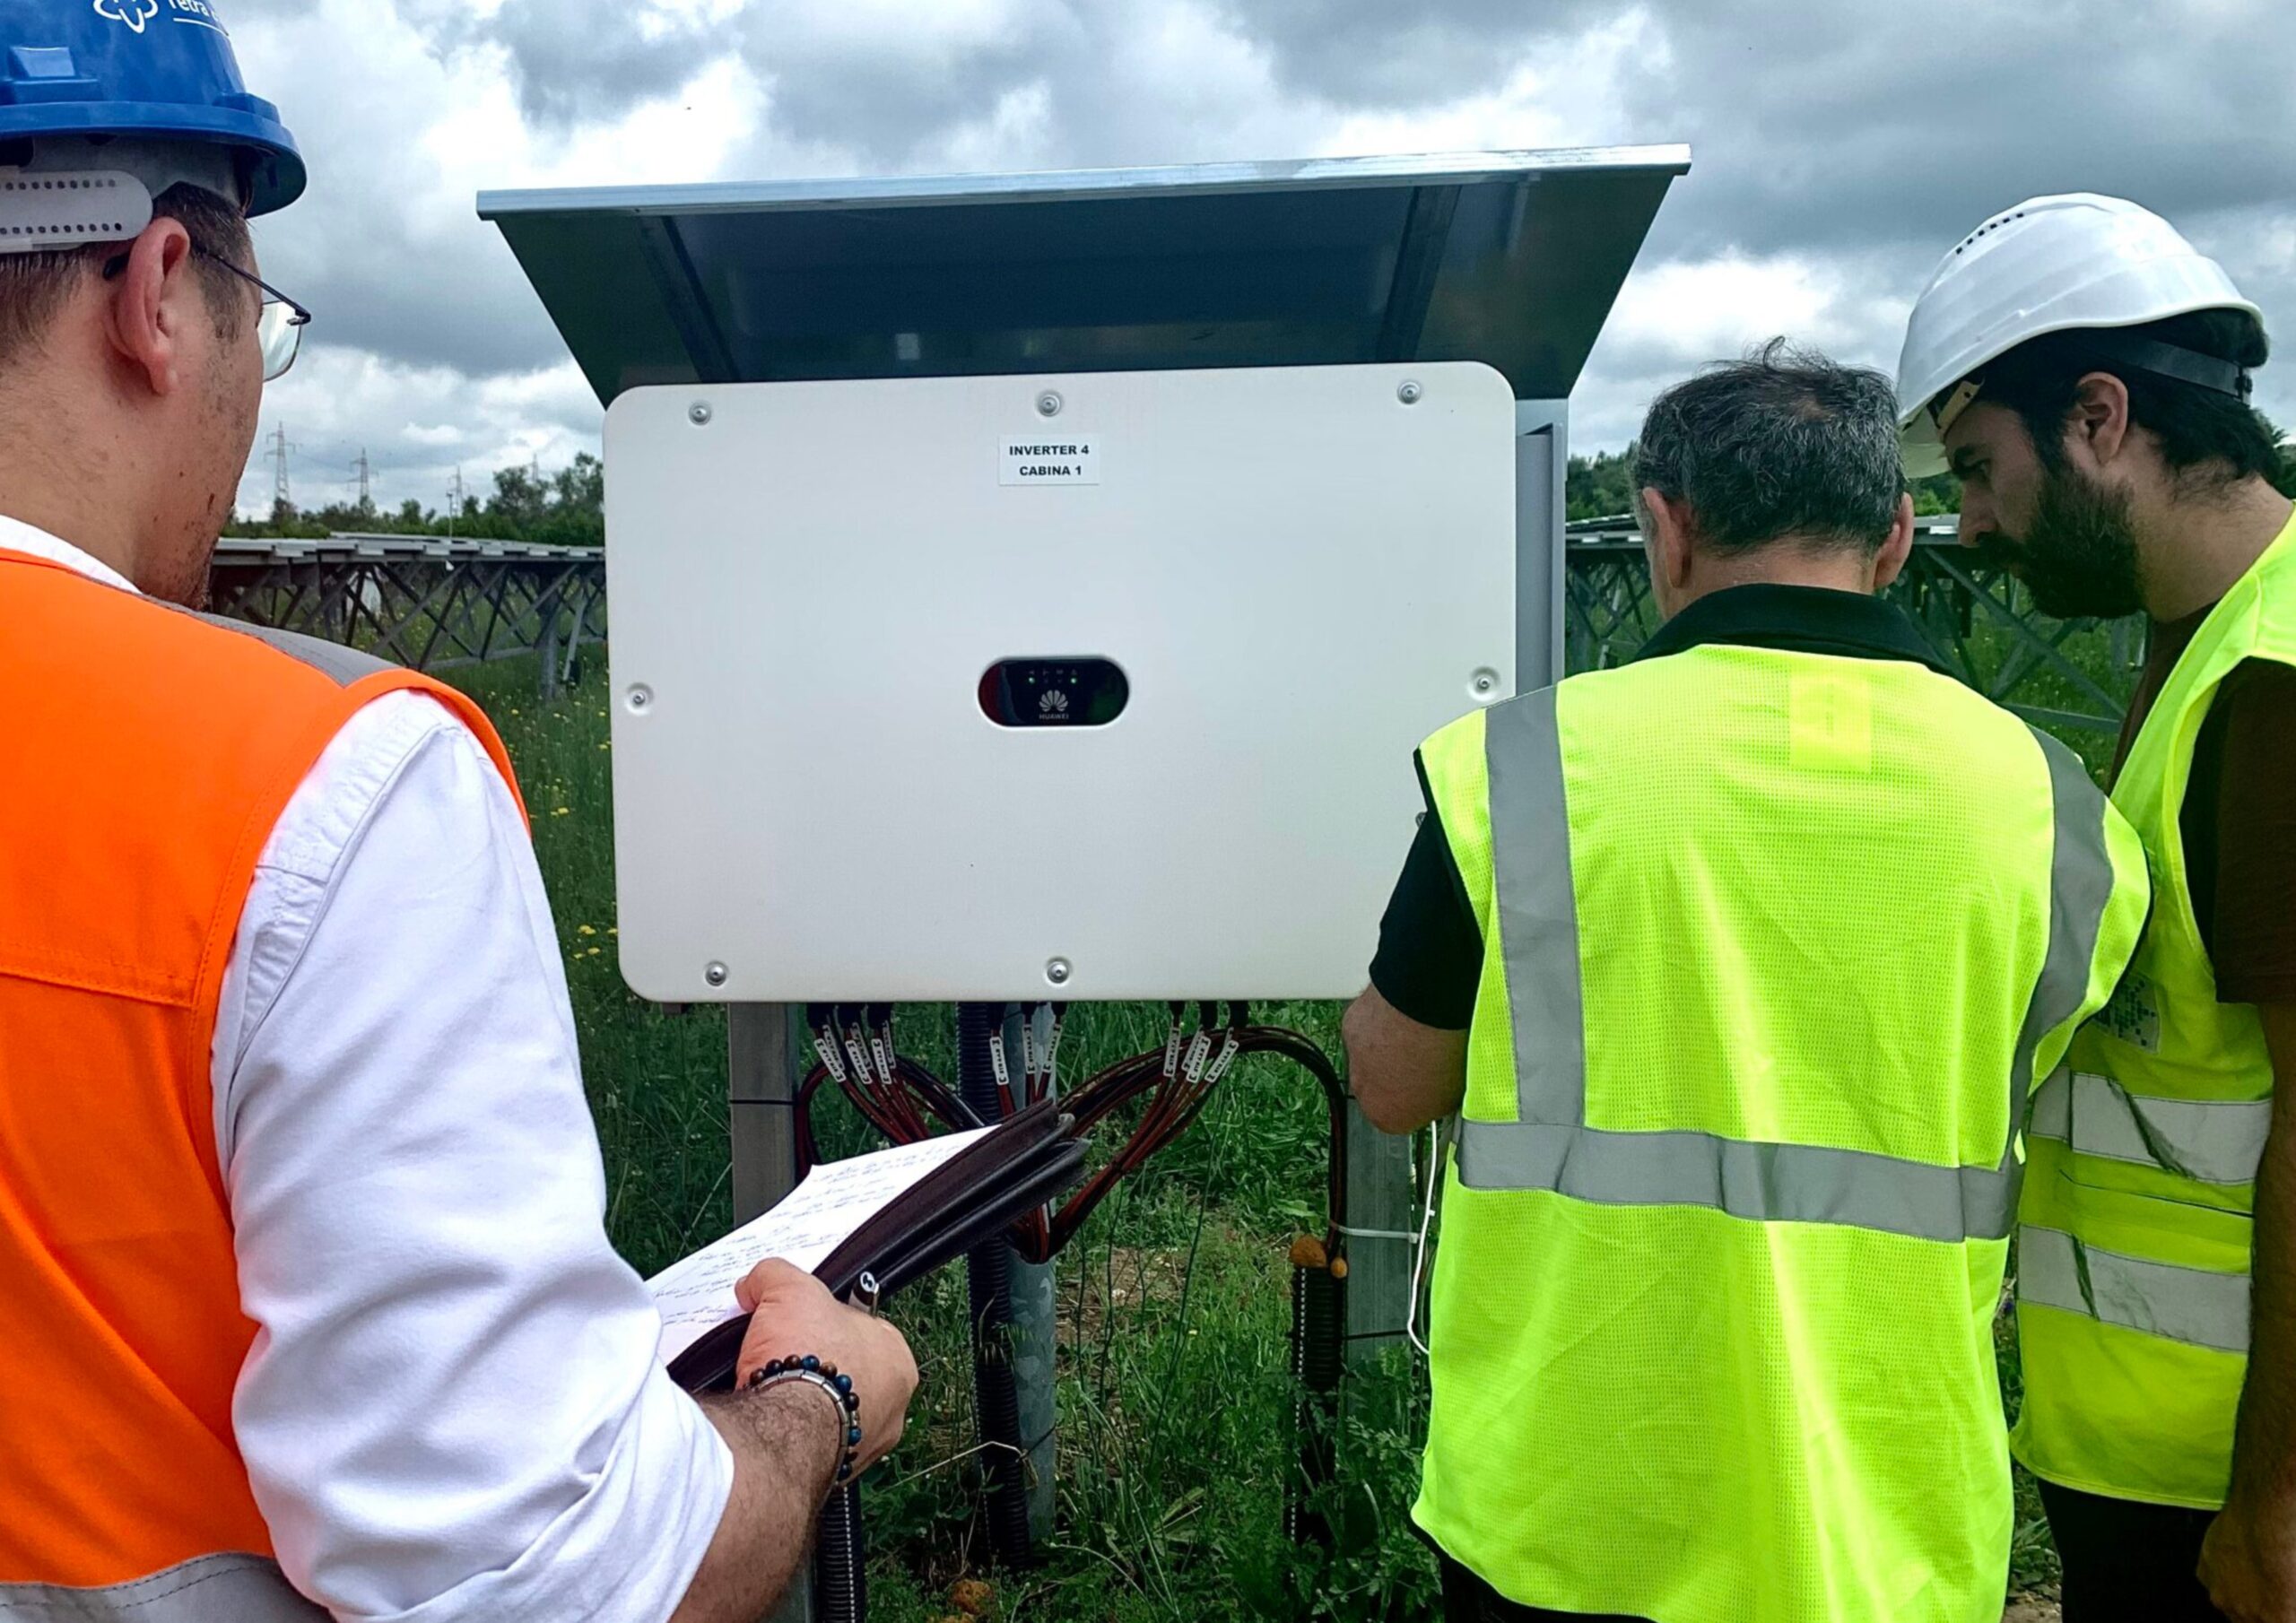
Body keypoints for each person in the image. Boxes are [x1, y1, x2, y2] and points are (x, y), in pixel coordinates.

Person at [0, 7, 915, 1620]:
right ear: (159, 293)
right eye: (259, 325)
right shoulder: (314, 791)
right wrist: (816, 1404)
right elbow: (536, 1578)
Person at [1344, 343, 2152, 1623]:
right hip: (1884, 1527)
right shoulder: (2058, 812)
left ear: (1666, 529)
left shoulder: (1521, 768)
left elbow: (1392, 1084)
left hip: (1567, 1515)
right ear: (1895, 540)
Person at [1896, 193, 2296, 1623]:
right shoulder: (2199, 644)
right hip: (2152, 1451)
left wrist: (2274, 1504)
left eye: (1980, 467)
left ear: (2100, 417)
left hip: (2224, 1487)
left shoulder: (2274, 688)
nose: (1972, 520)